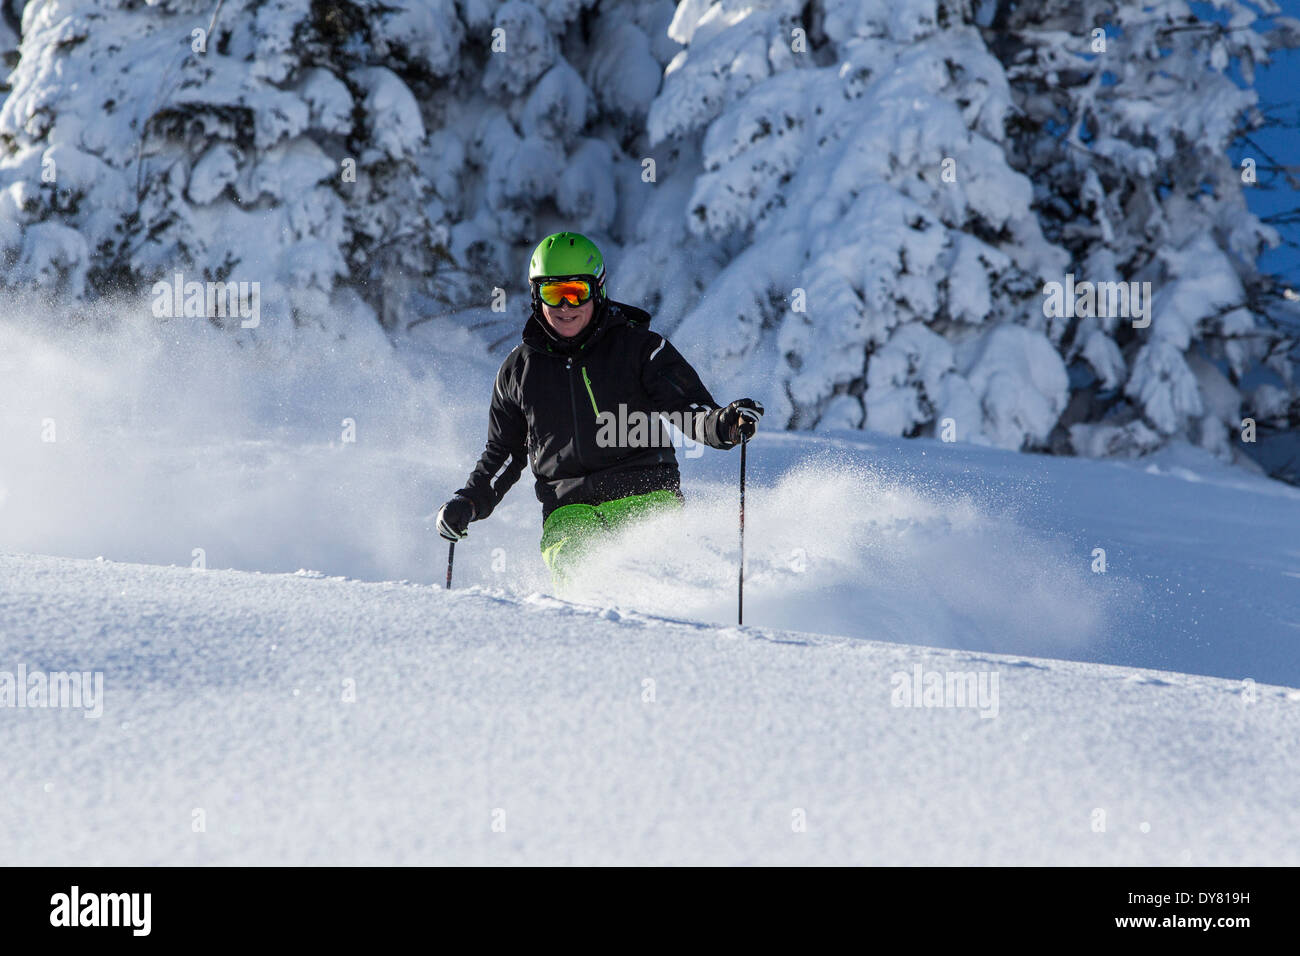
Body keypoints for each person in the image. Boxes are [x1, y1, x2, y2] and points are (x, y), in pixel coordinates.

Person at [435, 231, 762, 587]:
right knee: (579, 566)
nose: (565, 307)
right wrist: (469, 501)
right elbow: (504, 454)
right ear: (535, 296)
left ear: (598, 290)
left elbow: (689, 410)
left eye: (576, 292)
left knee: (650, 571)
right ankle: (596, 634)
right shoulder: (518, 372)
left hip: (646, 495)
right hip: (568, 512)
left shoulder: (640, 349)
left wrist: (724, 425)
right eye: (552, 293)